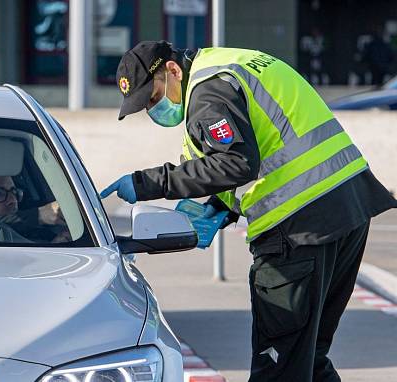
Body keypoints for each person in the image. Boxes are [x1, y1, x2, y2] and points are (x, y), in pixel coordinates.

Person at [101, 41, 397, 382]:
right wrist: (222, 206)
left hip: (299, 229)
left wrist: (147, 183)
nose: (154, 110)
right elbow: (269, 148)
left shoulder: (208, 93)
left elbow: (236, 163)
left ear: (172, 70)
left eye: (153, 98)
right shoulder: (231, 65)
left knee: (278, 368)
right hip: (347, 209)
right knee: (306, 360)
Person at [0, 176, 70, 243]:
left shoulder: (29, 231)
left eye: (14, 192)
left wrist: (58, 241)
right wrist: (40, 214)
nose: (13, 200)